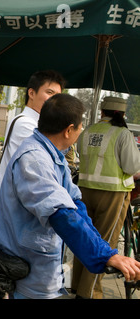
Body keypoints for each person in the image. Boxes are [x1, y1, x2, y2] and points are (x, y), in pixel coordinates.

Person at [0, 93, 140, 299]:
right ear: (69, 130)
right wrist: (105, 255)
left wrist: (105, 251)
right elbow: (62, 215)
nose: (81, 130)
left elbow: (76, 207)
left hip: (41, 266)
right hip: (27, 269)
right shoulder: (35, 160)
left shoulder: (53, 156)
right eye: (79, 127)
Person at [72, 96, 140, 299]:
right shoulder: (122, 133)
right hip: (113, 194)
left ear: (102, 112)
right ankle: (90, 293)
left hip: (84, 191)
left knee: (84, 239)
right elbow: (132, 167)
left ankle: (77, 286)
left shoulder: (87, 131)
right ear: (122, 114)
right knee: (106, 243)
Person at [0, 70, 65, 193]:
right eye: (49, 93)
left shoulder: (38, 124)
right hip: (17, 203)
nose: (55, 100)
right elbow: (43, 165)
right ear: (32, 93)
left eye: (58, 96)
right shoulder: (25, 124)